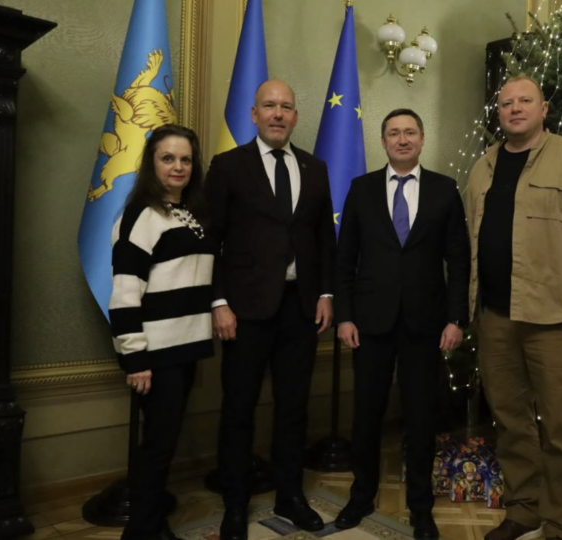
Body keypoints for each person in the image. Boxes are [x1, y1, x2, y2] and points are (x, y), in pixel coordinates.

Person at [465, 74, 562, 540]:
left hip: (555, 320)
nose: (515, 109)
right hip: (495, 318)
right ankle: (524, 509)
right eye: (506, 103)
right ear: (498, 112)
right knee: (510, 423)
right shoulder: (483, 167)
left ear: (543, 109)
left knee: (560, 427)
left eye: (525, 101)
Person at [205, 79, 336, 540]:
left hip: (301, 309)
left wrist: (326, 294)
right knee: (239, 409)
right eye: (269, 106)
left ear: (295, 116)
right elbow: (210, 240)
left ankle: (290, 496)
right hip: (244, 311)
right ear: (254, 114)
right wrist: (218, 301)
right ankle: (235, 504)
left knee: (294, 408)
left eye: (286, 107)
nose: (278, 114)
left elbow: (324, 238)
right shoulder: (228, 166)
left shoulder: (315, 167)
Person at [332, 109, 469, 540]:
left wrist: (456, 318)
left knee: (421, 418)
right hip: (369, 323)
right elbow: (344, 259)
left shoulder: (445, 190)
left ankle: (421, 507)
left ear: (422, 139)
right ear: (384, 141)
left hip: (425, 324)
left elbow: (458, 260)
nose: (402, 139)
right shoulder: (361, 189)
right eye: (394, 133)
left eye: (410, 132)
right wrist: (345, 315)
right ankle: (361, 495)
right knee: (366, 415)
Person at [110, 124, 214, 540]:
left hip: (184, 348)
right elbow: (124, 291)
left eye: (185, 159)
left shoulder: (190, 211)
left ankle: (151, 523)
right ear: (151, 163)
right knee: (157, 447)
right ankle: (142, 530)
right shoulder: (141, 215)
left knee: (164, 443)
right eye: (167, 158)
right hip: (155, 353)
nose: (178, 167)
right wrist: (135, 357)